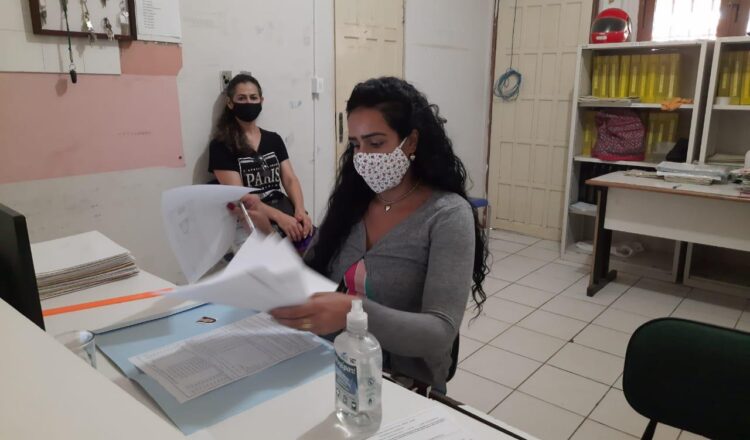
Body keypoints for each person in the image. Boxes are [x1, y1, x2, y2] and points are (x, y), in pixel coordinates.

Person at [269, 77, 489, 393]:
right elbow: (312, 271)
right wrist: (264, 234)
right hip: (329, 362)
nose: (363, 157)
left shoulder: (447, 214)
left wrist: (351, 311)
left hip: (401, 382)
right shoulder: (351, 202)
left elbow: (439, 332)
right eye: (356, 145)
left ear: (411, 142)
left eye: (375, 144)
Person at [209, 73, 312, 242]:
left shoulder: (274, 139)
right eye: (241, 98)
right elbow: (241, 196)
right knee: (274, 254)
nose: (248, 102)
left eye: (253, 97)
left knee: (315, 247)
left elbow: (290, 179)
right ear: (230, 103)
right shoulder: (221, 145)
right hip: (248, 219)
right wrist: (280, 218)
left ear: (261, 101)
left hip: (282, 209)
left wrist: (300, 210)